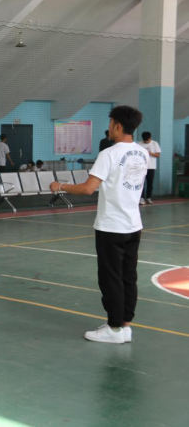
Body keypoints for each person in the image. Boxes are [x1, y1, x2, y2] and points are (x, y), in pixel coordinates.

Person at [50, 106, 147, 344]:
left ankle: (113, 328)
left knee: (110, 278)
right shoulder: (142, 153)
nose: (109, 127)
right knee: (128, 277)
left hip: (111, 226)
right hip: (133, 225)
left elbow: (88, 188)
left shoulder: (109, 154)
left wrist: (60, 186)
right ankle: (125, 326)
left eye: (111, 123)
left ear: (118, 126)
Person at [138, 131, 161, 205]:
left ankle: (148, 197)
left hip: (151, 166)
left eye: (147, 141)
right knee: (141, 183)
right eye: (145, 141)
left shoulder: (155, 143)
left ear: (150, 138)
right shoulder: (139, 144)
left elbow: (158, 155)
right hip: (141, 167)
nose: (146, 142)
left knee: (150, 183)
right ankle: (141, 198)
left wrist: (151, 153)